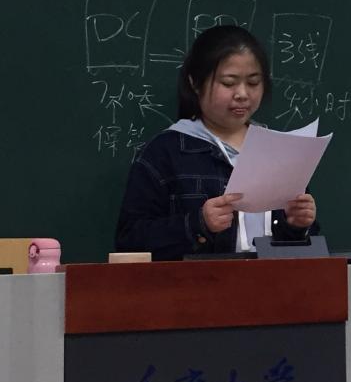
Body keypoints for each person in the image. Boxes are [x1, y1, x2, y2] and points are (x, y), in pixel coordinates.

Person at [116, 26, 318, 261]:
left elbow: (305, 249)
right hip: (195, 283)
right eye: (228, 83)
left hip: (276, 281)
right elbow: (129, 241)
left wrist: (297, 226)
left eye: (253, 83)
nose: (242, 94)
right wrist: (198, 224)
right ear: (195, 83)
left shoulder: (280, 149)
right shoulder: (165, 153)